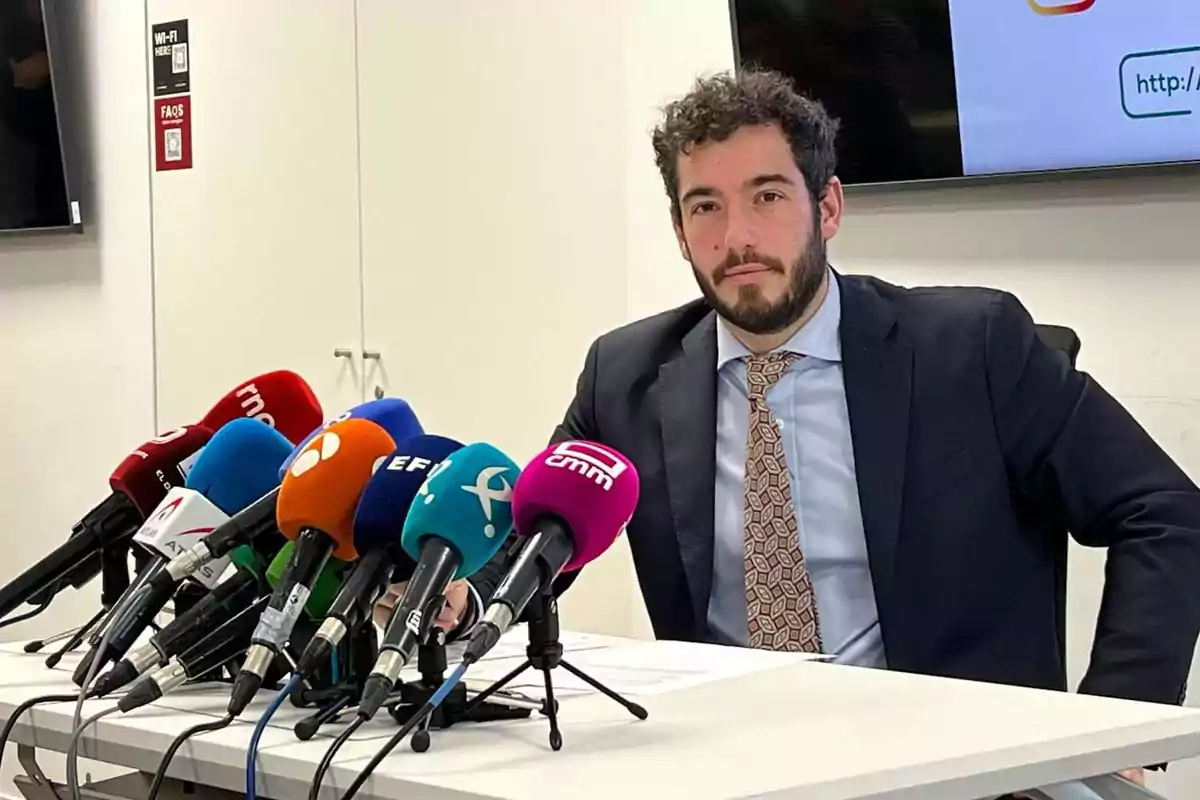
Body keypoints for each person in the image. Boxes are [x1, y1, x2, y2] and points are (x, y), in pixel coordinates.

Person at [376, 68, 1200, 783]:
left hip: (959, 769)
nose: (736, 238)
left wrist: (1111, 733)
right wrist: (459, 595)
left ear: (828, 205)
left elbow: (1164, 513)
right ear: (679, 231)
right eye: (706, 207)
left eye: (767, 197)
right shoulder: (626, 374)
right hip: (730, 765)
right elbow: (545, 540)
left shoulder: (971, 348)